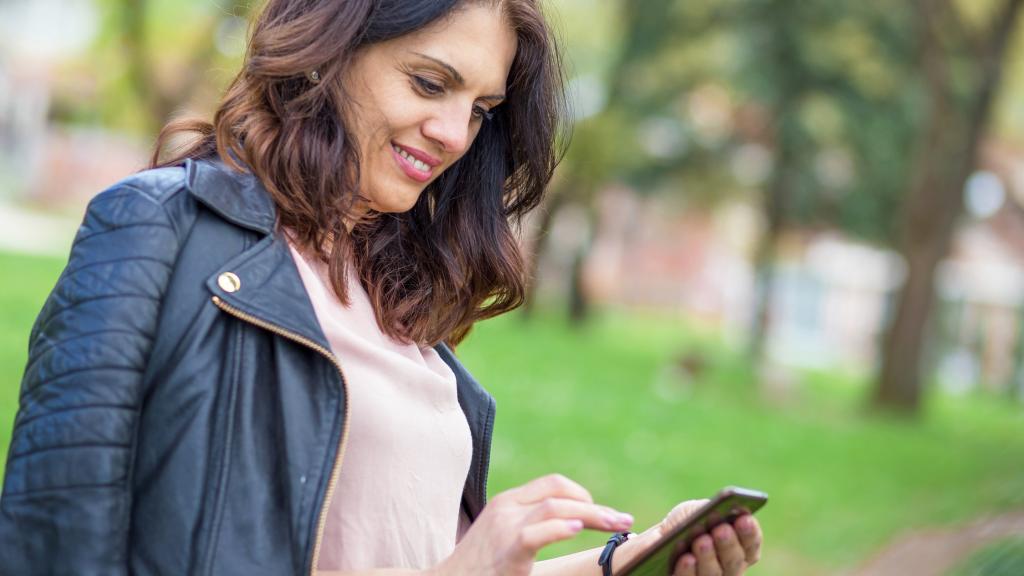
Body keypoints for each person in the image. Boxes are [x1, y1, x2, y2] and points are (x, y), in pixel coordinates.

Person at [0, 0, 763, 575]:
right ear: (330, 46)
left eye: (481, 110)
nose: (456, 134)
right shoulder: (158, 231)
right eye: (430, 83)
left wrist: (615, 564)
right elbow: (47, 545)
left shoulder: (399, 303)